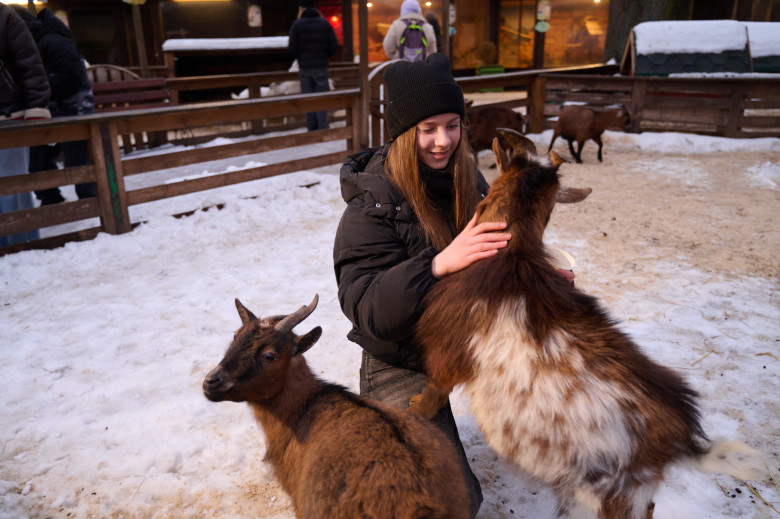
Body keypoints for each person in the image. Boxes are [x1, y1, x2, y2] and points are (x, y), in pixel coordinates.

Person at [333, 54, 511, 519]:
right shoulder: (371, 204)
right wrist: (436, 266)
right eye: (428, 128)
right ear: (403, 131)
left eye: (452, 125)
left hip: (463, 341)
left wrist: (537, 271)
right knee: (450, 505)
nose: (443, 140)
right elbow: (367, 308)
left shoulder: (466, 178)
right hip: (402, 358)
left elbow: (496, 249)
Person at [11, 6, 96, 205]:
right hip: (47, 110)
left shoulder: (52, 40)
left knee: (77, 160)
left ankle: (91, 202)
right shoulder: (32, 43)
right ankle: (51, 202)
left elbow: (72, 77)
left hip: (73, 110)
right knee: (39, 162)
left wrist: (36, 89)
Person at [0, 2, 50, 247]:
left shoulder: (4, 16)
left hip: (8, 115)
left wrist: (36, 107)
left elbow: (29, 63)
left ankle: (24, 246)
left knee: (13, 185)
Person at [288, 0, 338, 132]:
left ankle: (312, 129)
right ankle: (323, 129)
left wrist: (301, 58)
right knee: (322, 99)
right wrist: (324, 56)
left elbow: (292, 49)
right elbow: (334, 45)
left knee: (308, 100)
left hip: (305, 68)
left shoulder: (297, 25)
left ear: (301, 8)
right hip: (321, 67)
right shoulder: (324, 23)